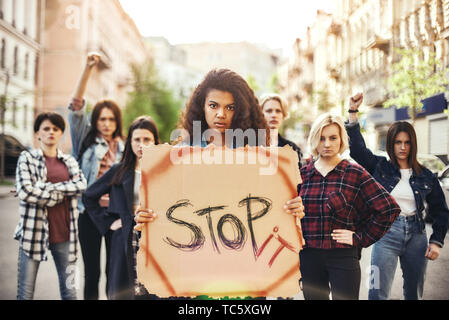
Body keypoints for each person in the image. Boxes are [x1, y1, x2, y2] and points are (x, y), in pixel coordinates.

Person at [134, 69, 305, 298]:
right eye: (213, 105)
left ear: (241, 111)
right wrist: (147, 218)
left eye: (230, 107)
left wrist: (292, 209)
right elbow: (166, 210)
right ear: (202, 107)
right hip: (194, 269)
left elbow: (272, 209)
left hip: (245, 269)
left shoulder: (260, 158)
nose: (221, 114)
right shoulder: (179, 156)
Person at [346, 93, 449, 300]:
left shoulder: (425, 175)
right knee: (376, 293)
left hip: (417, 236)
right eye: (397, 142)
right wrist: (352, 112)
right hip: (385, 233)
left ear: (413, 144)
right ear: (391, 144)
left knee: (413, 294)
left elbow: (441, 211)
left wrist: (436, 241)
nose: (402, 147)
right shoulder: (380, 167)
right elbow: (357, 150)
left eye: (407, 142)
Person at [294, 112, 400, 300]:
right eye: (322, 138)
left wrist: (360, 237)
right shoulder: (301, 175)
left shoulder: (355, 173)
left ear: (341, 139)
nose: (327, 144)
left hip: (342, 256)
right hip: (309, 256)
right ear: (314, 139)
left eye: (333, 138)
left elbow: (388, 209)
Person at [82, 116, 160, 300]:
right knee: (124, 291)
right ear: (130, 141)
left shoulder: (163, 170)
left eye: (147, 139)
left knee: (152, 291)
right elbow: (88, 196)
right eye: (137, 139)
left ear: (155, 141)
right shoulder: (119, 170)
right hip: (125, 238)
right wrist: (108, 222)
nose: (141, 144)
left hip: (154, 237)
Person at [68, 52, 125, 300]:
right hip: (89, 215)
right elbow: (76, 108)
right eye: (102, 119)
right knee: (92, 274)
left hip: (116, 215)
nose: (106, 123)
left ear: (117, 122)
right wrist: (88, 69)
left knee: (114, 273)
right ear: (96, 121)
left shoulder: (125, 147)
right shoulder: (86, 141)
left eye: (111, 119)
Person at [15, 112, 87, 300]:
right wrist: (60, 194)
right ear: (37, 133)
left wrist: (46, 188)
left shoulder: (70, 161)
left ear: (61, 133)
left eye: (56, 129)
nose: (51, 132)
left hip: (66, 234)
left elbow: (81, 185)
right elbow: (25, 191)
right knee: (25, 293)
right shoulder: (27, 158)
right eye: (46, 128)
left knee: (71, 291)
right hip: (32, 233)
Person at [260, 93, 303, 165]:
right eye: (269, 111)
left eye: (278, 111)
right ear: (260, 114)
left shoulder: (292, 149)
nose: (274, 115)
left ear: (283, 115)